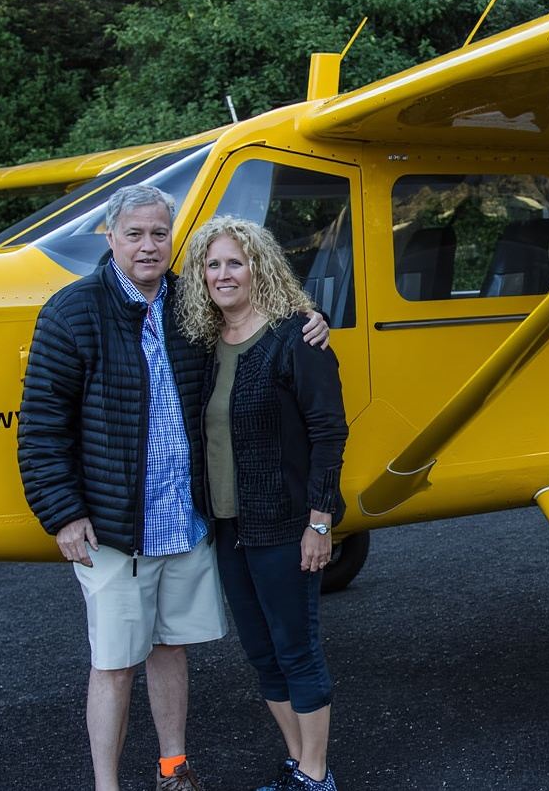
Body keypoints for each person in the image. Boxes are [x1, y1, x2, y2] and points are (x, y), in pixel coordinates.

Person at [17, 185, 328, 791]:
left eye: (160, 233)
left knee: (170, 650)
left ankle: (173, 769)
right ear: (110, 238)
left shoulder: (192, 304)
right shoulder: (71, 311)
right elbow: (41, 425)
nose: (148, 245)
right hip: (114, 527)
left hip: (184, 522)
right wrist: (63, 512)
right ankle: (106, 784)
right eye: (134, 233)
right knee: (113, 663)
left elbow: (255, 313)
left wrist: (308, 320)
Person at [177, 216, 347, 791]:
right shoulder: (204, 344)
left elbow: (329, 432)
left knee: (296, 648)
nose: (223, 274)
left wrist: (319, 523)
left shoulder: (296, 336)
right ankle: (301, 765)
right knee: (260, 651)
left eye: (235, 262)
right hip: (229, 527)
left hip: (285, 524)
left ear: (260, 267)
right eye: (212, 263)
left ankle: (316, 775)